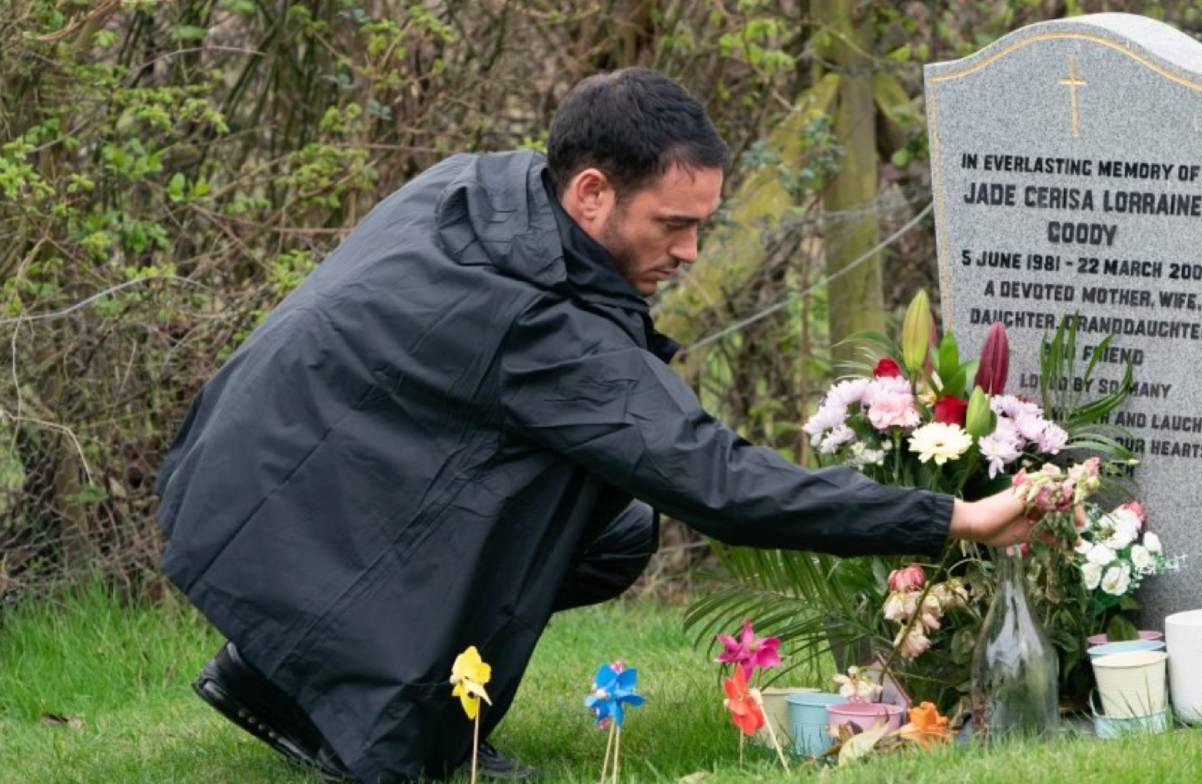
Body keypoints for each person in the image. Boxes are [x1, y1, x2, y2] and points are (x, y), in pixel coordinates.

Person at [154, 67, 1039, 784]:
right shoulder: (539, 325)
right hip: (285, 512)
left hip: (243, 476)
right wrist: (952, 518)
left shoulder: (484, 187)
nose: (690, 252)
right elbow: (716, 481)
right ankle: (384, 722)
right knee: (564, 489)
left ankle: (298, 674)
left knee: (610, 527)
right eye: (674, 225)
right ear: (590, 192)